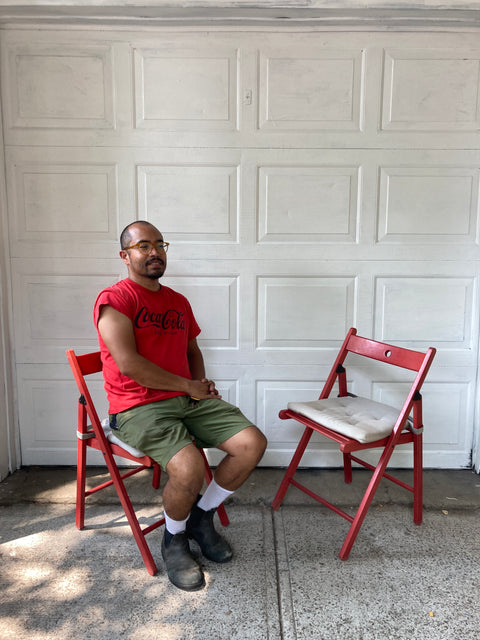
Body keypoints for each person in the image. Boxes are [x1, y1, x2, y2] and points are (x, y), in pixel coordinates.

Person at [93, 220, 267, 591]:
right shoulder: (116, 300)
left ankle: (201, 518)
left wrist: (198, 387)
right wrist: (187, 385)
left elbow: (191, 349)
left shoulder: (177, 301)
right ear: (125, 256)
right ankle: (174, 539)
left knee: (251, 444)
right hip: (136, 406)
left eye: (159, 244)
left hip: (184, 397)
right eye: (143, 245)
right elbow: (130, 365)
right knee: (189, 469)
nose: (154, 251)